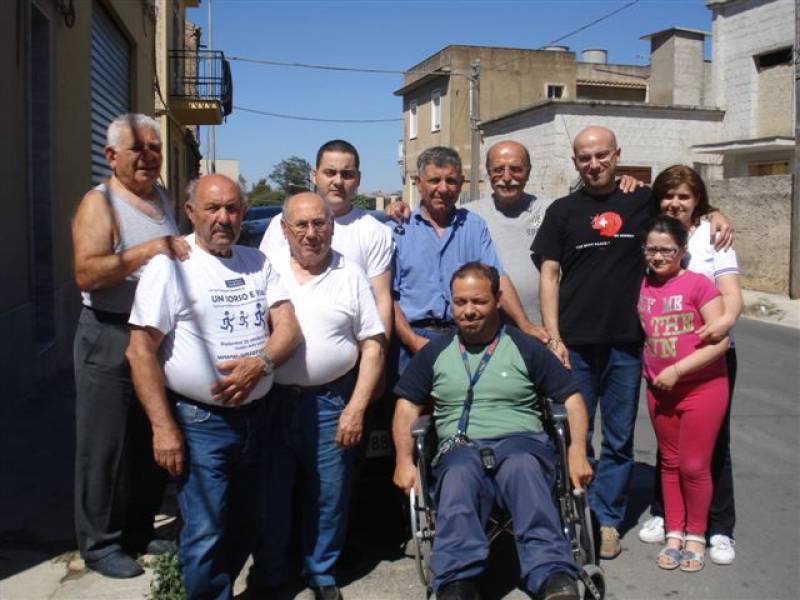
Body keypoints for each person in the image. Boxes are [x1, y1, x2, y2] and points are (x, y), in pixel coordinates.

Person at [532, 126, 733, 559]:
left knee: (620, 440)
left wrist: (716, 213)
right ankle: (573, 515)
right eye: (585, 157)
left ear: (617, 155)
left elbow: (682, 210)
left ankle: (606, 521)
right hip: (576, 345)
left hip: (628, 346)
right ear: (574, 162)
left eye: (602, 155)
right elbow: (548, 275)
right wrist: (553, 336)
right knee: (573, 438)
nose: (594, 164)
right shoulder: (562, 211)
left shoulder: (639, 200)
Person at [126, 174, 301, 599]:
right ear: (190, 212)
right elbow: (139, 352)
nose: (224, 218)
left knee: (247, 519)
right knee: (205, 531)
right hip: (202, 424)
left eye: (232, 208)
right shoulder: (171, 267)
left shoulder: (256, 261)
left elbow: (288, 329)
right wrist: (163, 428)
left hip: (258, 420)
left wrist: (259, 364)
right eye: (212, 208)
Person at [392, 262, 592, 600]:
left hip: (521, 443)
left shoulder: (524, 346)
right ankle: (456, 582)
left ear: (497, 299)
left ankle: (552, 574)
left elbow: (571, 398)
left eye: (478, 302)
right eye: (460, 302)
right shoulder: (435, 352)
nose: (468, 311)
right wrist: (404, 460)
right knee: (457, 477)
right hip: (460, 447)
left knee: (522, 469)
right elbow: (406, 407)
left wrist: (576, 452)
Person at [71, 113, 190, 578]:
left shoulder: (159, 195)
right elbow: (86, 273)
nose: (148, 155)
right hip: (109, 332)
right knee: (104, 445)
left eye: (154, 147)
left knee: (146, 442)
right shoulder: (99, 203)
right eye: (137, 148)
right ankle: (99, 545)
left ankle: (139, 532)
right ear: (111, 156)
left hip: (153, 337)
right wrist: (148, 251)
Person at [251, 192, 385, 600]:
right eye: (301, 225)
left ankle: (321, 571)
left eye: (320, 224)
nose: (312, 234)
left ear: (331, 226)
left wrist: (356, 408)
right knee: (271, 495)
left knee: (329, 493)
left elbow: (374, 344)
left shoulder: (350, 275)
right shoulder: (265, 271)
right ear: (285, 229)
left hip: (331, 404)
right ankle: (271, 575)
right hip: (272, 404)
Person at [638, 165, 742, 566]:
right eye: (669, 195)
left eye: (684, 195)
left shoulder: (714, 235)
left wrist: (721, 325)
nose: (675, 202)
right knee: (670, 454)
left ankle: (717, 528)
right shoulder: (654, 234)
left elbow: (730, 296)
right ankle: (668, 519)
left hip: (706, 357)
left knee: (712, 448)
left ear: (699, 198)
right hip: (663, 364)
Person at [392, 146, 548, 375]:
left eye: (451, 181)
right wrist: (412, 340)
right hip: (411, 340)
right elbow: (387, 297)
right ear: (418, 182)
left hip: (465, 337)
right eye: (434, 180)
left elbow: (497, 276)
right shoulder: (397, 228)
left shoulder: (474, 225)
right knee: (412, 409)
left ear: (461, 183)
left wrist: (524, 325)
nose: (443, 189)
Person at [260, 139, 393, 337]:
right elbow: (259, 285)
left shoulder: (375, 231)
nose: (338, 181)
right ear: (314, 176)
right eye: (330, 172)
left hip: (351, 361)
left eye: (347, 174)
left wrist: (377, 358)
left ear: (358, 178)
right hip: (281, 358)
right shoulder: (282, 224)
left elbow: (381, 300)